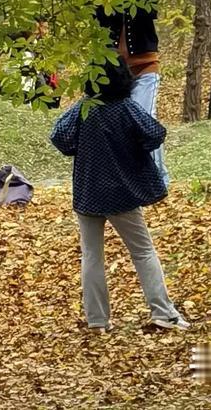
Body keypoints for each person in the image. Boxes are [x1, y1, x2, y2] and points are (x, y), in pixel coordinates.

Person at [51, 58, 188, 334]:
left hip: (88, 192)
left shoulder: (83, 109)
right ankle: (163, 313)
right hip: (121, 195)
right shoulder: (125, 109)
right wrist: (132, 149)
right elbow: (154, 133)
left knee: (91, 255)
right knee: (143, 251)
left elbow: (59, 136)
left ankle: (97, 321)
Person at [95, 0, 166, 183]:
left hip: (144, 67)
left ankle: (157, 178)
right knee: (115, 125)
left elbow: (150, 4)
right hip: (115, 76)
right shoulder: (105, 0)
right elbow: (96, 19)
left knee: (145, 120)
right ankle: (124, 178)